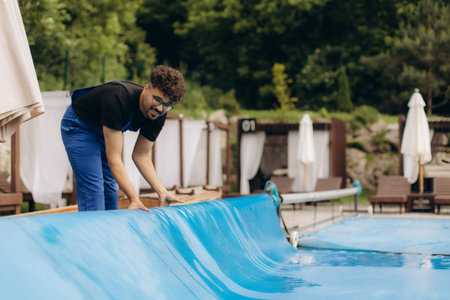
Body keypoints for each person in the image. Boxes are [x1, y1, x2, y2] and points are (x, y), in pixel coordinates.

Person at [61, 65, 186, 212]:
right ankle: (93, 233)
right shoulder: (118, 98)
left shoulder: (159, 114)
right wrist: (134, 198)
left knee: (110, 191)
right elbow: (114, 159)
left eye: (167, 105)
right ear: (146, 89)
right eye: (157, 99)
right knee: (93, 190)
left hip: (104, 131)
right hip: (80, 127)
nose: (159, 108)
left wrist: (162, 191)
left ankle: (110, 233)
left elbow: (141, 155)